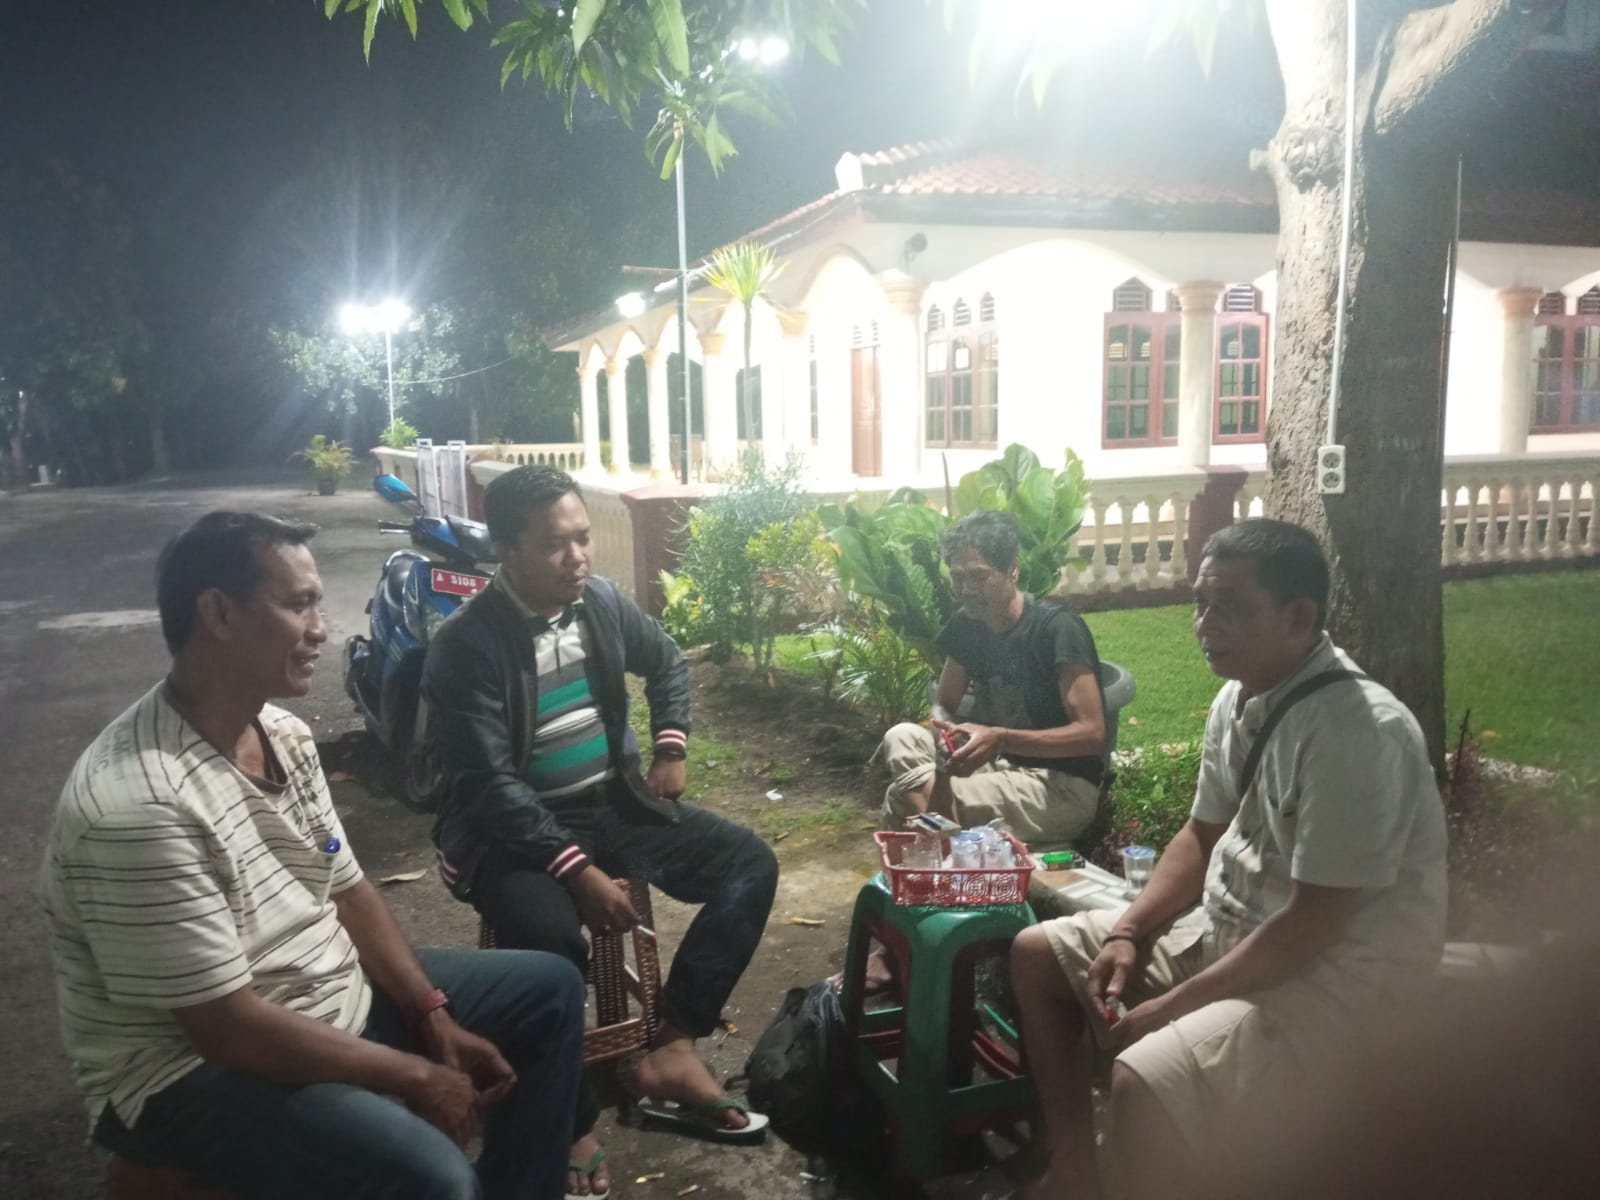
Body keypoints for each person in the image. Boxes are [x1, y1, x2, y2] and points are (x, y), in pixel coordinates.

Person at [39, 511, 585, 1200]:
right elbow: (225, 1029)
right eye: (298, 605)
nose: (321, 629)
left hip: (322, 998)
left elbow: (347, 890)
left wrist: (431, 1012)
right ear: (219, 614)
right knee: (433, 1178)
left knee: (549, 992)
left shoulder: (282, 734)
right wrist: (415, 1073)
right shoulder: (139, 803)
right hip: (188, 1072)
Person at [1008, 518, 1448, 1200]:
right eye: (1201, 604)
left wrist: (1171, 1007)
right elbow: (1200, 834)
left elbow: (1314, 923)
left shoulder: (1358, 732)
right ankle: (1075, 1172)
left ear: (1299, 616)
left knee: (1142, 1078)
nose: (1205, 626)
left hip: (1332, 985)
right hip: (1233, 936)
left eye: (1230, 608)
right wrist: (1128, 932)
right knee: (1036, 955)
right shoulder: (1239, 696)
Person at [420, 465, 780, 1194]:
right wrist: (575, 871)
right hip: (507, 836)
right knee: (549, 944)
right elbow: (489, 787)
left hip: (609, 805)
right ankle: (571, 1118)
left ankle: (671, 1048)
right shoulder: (466, 645)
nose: (578, 556)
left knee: (749, 865)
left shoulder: (602, 604)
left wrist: (671, 745)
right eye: (556, 544)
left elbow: (666, 659)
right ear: (506, 551)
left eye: (583, 538)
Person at [870, 508, 1107, 851]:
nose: (966, 589)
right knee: (901, 736)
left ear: (1013, 569)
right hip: (993, 765)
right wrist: (945, 731)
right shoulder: (968, 624)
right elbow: (944, 702)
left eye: (979, 576)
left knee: (902, 795)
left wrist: (1000, 739)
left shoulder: (1056, 629)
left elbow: (1092, 734)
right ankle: (952, 845)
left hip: (1058, 785)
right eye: (958, 577)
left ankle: (945, 857)